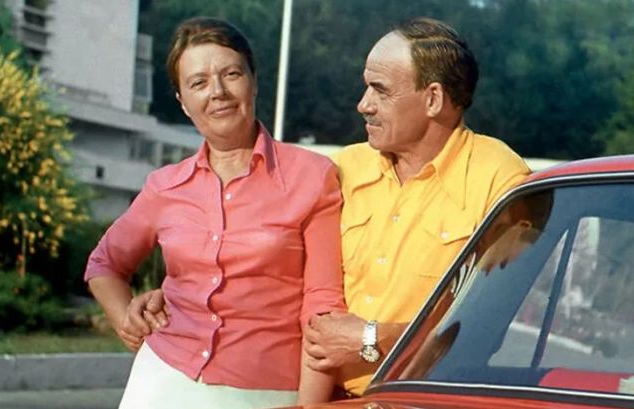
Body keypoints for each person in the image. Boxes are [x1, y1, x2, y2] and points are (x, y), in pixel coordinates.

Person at [83, 17, 345, 408]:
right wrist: (127, 321)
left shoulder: (312, 176)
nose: (218, 92)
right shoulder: (164, 186)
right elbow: (104, 264)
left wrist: (310, 406)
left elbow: (321, 305)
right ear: (182, 102)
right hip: (162, 378)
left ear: (254, 82)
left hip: (265, 389)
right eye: (199, 82)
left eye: (231, 74)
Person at [302, 17, 531, 398]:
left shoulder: (501, 180)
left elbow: (485, 325)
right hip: (322, 397)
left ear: (433, 99)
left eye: (380, 90)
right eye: (366, 88)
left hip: (423, 401)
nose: (363, 105)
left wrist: (371, 338)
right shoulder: (343, 169)